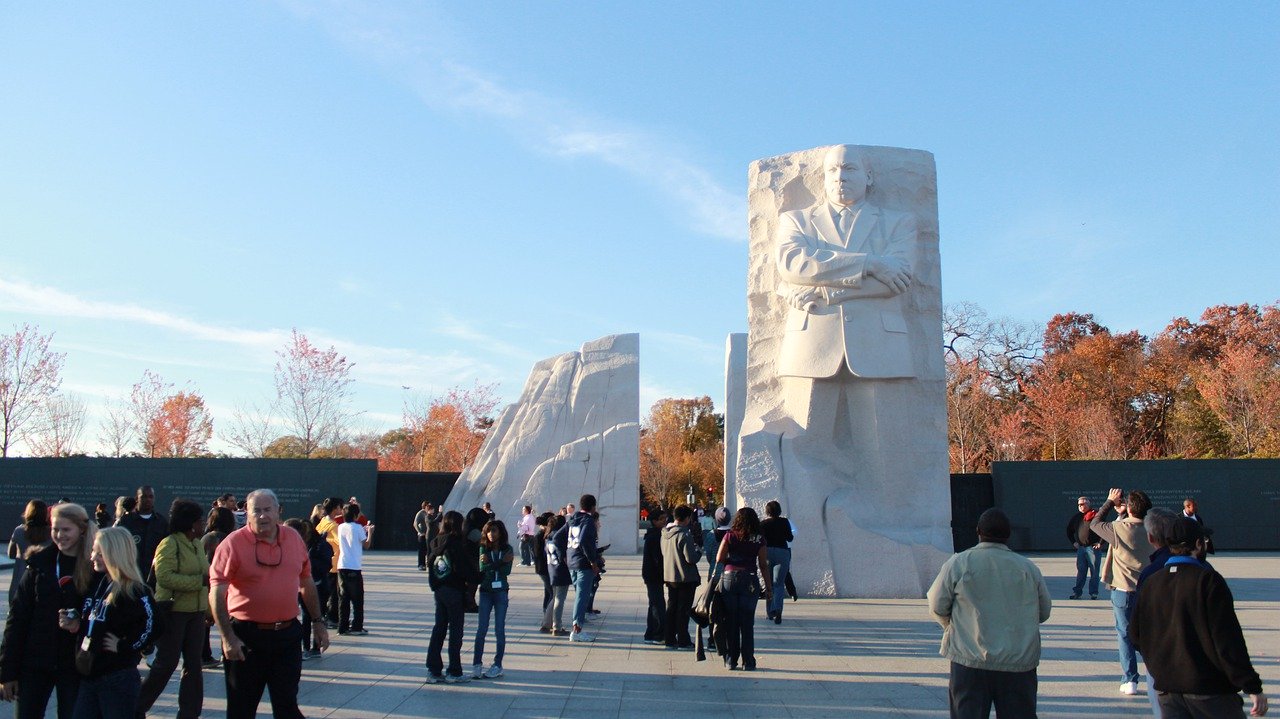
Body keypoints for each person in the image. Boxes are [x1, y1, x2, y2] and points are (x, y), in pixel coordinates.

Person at [209, 489, 329, 719]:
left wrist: (318, 622)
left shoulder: (293, 539)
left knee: (286, 706)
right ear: (247, 513)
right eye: (257, 511)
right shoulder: (232, 544)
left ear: (278, 511)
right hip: (246, 638)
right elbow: (216, 592)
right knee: (241, 709)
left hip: (287, 636)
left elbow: (306, 583)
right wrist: (227, 637)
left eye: (267, 510)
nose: (263, 516)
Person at [1131, 518, 1268, 719]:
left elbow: (1135, 635)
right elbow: (1227, 640)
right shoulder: (1207, 580)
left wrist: (1160, 666)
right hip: (1210, 691)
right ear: (1197, 544)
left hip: (1168, 691)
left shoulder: (1151, 582)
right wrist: (1251, 685)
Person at [927, 508, 1052, 719]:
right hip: (1018, 662)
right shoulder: (1028, 569)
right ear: (1008, 535)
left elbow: (937, 605)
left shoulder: (958, 563)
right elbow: (1044, 611)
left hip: (969, 659)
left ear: (978, 531)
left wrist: (954, 626)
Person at [0, 502, 95, 719]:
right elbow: (17, 619)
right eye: (55, 529)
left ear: (81, 530)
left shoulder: (94, 566)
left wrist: (80, 622)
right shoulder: (39, 564)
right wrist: (7, 672)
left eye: (66, 529)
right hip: (35, 662)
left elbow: (106, 614)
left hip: (75, 665)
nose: (60, 535)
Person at [66, 526, 157, 719]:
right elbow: (95, 620)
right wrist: (76, 622)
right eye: (93, 551)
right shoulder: (97, 583)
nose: (93, 557)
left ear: (114, 554)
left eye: (100, 553)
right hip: (90, 674)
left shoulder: (135, 590)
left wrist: (125, 646)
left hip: (117, 677)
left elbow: (155, 625)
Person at [136, 499, 210, 719]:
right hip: (173, 612)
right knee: (166, 664)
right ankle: (136, 706)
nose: (203, 523)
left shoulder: (197, 544)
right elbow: (165, 577)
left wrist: (207, 610)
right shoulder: (169, 543)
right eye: (199, 520)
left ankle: (189, 713)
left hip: (195, 613)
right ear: (190, 523)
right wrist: (198, 582)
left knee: (194, 666)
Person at [1091, 487, 1154, 697]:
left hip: (1124, 589)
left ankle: (1130, 679)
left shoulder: (1119, 529)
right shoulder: (1153, 529)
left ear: (1130, 509)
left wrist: (1109, 502)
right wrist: (1122, 512)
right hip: (1149, 590)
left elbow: (1095, 523)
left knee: (1125, 635)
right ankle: (1157, 675)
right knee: (1150, 634)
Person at [714, 507, 771, 671]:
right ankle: (749, 661)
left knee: (731, 620)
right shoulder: (759, 539)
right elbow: (763, 565)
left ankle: (731, 659)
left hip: (729, 578)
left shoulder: (730, 535)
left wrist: (732, 560)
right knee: (747, 622)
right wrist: (768, 588)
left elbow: (719, 558)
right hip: (750, 579)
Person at [425, 511, 479, 684]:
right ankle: (454, 670)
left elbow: (431, 565)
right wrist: (478, 577)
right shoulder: (456, 544)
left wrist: (435, 585)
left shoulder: (435, 542)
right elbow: (463, 568)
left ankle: (433, 669)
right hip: (454, 590)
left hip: (440, 590)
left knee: (439, 628)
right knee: (456, 631)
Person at [472, 520, 513, 679]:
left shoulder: (507, 549)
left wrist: (494, 563)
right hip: (486, 591)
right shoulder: (483, 548)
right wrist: (501, 562)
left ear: (500, 532)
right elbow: (484, 570)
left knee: (499, 629)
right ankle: (477, 664)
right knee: (482, 628)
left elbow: (505, 572)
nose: (491, 534)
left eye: (494, 531)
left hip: (501, 591)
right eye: (488, 531)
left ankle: (498, 664)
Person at [287, 518, 331, 661]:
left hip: (318, 585)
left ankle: (314, 647)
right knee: (305, 617)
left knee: (313, 616)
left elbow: (325, 565)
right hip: (300, 586)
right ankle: (306, 646)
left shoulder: (319, 545)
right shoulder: (293, 545)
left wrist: (307, 563)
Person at [199, 507, 236, 668]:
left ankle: (205, 655)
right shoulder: (230, 539)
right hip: (227, 586)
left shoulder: (206, 538)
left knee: (206, 624)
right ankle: (225, 652)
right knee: (226, 619)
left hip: (208, 585)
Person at [661, 505, 701, 651]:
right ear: (686, 519)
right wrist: (698, 552)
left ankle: (669, 638)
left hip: (670, 576)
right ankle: (683, 640)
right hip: (685, 577)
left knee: (671, 608)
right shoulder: (684, 534)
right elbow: (690, 558)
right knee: (683, 610)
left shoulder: (665, 533)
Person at [565, 495, 601, 643]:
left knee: (579, 596)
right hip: (583, 563)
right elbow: (585, 540)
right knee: (582, 596)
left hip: (572, 561)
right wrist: (593, 561)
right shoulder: (588, 521)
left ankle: (577, 625)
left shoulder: (573, 519)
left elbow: (558, 536)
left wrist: (565, 555)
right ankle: (577, 630)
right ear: (593, 507)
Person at [336, 503, 374, 636]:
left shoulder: (340, 527)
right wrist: (369, 532)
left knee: (343, 597)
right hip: (354, 566)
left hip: (342, 565)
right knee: (357, 598)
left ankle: (342, 626)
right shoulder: (357, 527)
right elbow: (366, 544)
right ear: (355, 515)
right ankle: (357, 626)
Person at [8, 500, 51, 605]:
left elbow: (11, 554)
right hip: (44, 582)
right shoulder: (51, 533)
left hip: (20, 580)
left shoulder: (19, 531)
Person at [759, 501, 793, 624]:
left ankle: (769, 612)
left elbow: (759, 539)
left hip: (767, 552)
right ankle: (778, 608)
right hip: (782, 552)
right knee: (779, 584)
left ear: (767, 511)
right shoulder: (784, 522)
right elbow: (790, 538)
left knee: (769, 584)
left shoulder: (763, 524)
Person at [1067, 496, 1104, 600]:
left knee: (1094, 572)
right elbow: (1069, 530)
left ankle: (1093, 593)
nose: (1081, 506)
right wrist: (1073, 542)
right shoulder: (1076, 517)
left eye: (1083, 504)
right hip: (1081, 549)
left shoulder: (1096, 516)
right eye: (1079, 504)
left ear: (1088, 504)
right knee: (1081, 572)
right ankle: (1077, 592)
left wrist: (1100, 542)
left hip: (1093, 549)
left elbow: (1104, 529)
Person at [314, 498, 343, 628]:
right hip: (335, 563)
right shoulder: (334, 526)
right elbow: (341, 542)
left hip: (324, 561)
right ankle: (332, 618)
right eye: (340, 507)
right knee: (334, 594)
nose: (341, 510)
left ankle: (324, 615)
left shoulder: (323, 521)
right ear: (335, 508)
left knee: (325, 592)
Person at [641, 509, 668, 645]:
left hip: (651, 574)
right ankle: (657, 634)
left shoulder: (654, 535)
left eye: (665, 518)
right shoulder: (655, 536)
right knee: (658, 605)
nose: (664, 521)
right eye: (661, 519)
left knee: (654, 604)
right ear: (655, 521)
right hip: (653, 575)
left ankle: (650, 633)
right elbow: (658, 559)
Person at [543, 515, 570, 637]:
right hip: (561, 570)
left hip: (551, 569)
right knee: (560, 599)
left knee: (554, 597)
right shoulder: (559, 537)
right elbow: (563, 556)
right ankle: (557, 626)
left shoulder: (548, 537)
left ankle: (547, 623)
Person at [532, 513, 553, 631]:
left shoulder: (543, 535)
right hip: (544, 568)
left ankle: (546, 615)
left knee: (548, 592)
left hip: (545, 568)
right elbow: (539, 554)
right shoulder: (540, 536)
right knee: (552, 593)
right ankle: (547, 620)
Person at [413, 502, 432, 571]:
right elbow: (415, 524)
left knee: (428, 549)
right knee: (422, 550)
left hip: (428, 534)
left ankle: (428, 564)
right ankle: (421, 564)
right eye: (428, 505)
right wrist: (420, 532)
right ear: (425, 506)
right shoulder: (420, 513)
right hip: (422, 535)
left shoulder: (429, 513)